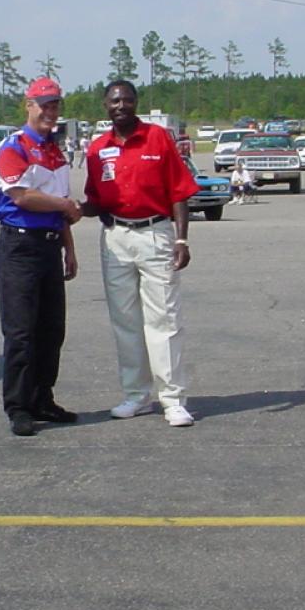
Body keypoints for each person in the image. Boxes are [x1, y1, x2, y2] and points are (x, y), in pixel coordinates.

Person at [82, 79, 200, 428]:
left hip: (155, 233)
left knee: (164, 319)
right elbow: (95, 200)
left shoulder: (157, 138)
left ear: (136, 103)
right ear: (105, 106)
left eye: (127, 100)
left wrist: (182, 240)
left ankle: (172, 399)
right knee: (125, 321)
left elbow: (179, 191)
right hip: (116, 238)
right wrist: (66, 209)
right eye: (114, 101)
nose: (121, 106)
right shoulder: (97, 149)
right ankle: (135, 395)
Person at [0, 77, 82, 436]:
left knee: (51, 329)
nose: (49, 111)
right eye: (43, 105)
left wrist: (69, 248)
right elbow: (22, 197)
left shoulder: (55, 152)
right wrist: (65, 206)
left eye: (55, 105)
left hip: (49, 245)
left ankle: (43, 398)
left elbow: (60, 207)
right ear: (29, 105)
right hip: (20, 247)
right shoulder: (14, 146)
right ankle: (18, 406)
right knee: (21, 331)